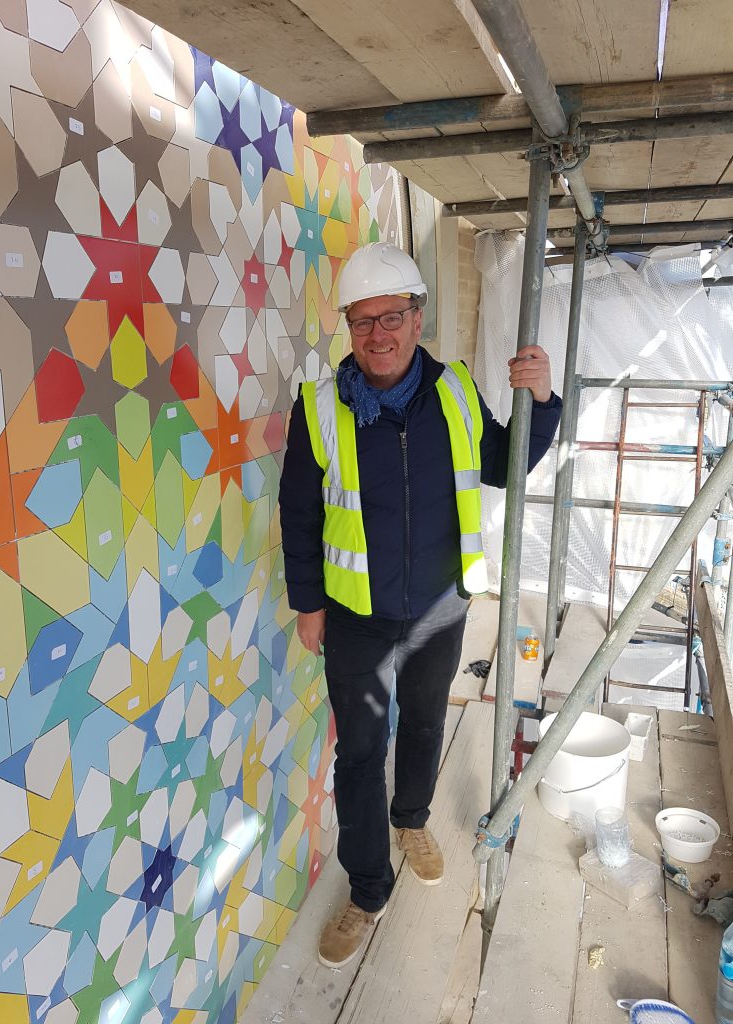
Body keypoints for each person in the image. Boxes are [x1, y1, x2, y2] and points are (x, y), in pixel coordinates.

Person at [278, 242, 561, 968]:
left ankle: (413, 821)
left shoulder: (458, 391)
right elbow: (299, 512)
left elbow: (506, 464)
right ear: (348, 326)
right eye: (362, 320)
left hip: (441, 607)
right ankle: (368, 890)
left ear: (418, 316)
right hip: (356, 616)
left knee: (426, 723)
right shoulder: (316, 409)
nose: (378, 334)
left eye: (392, 316)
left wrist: (542, 401)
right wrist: (308, 604)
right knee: (361, 751)